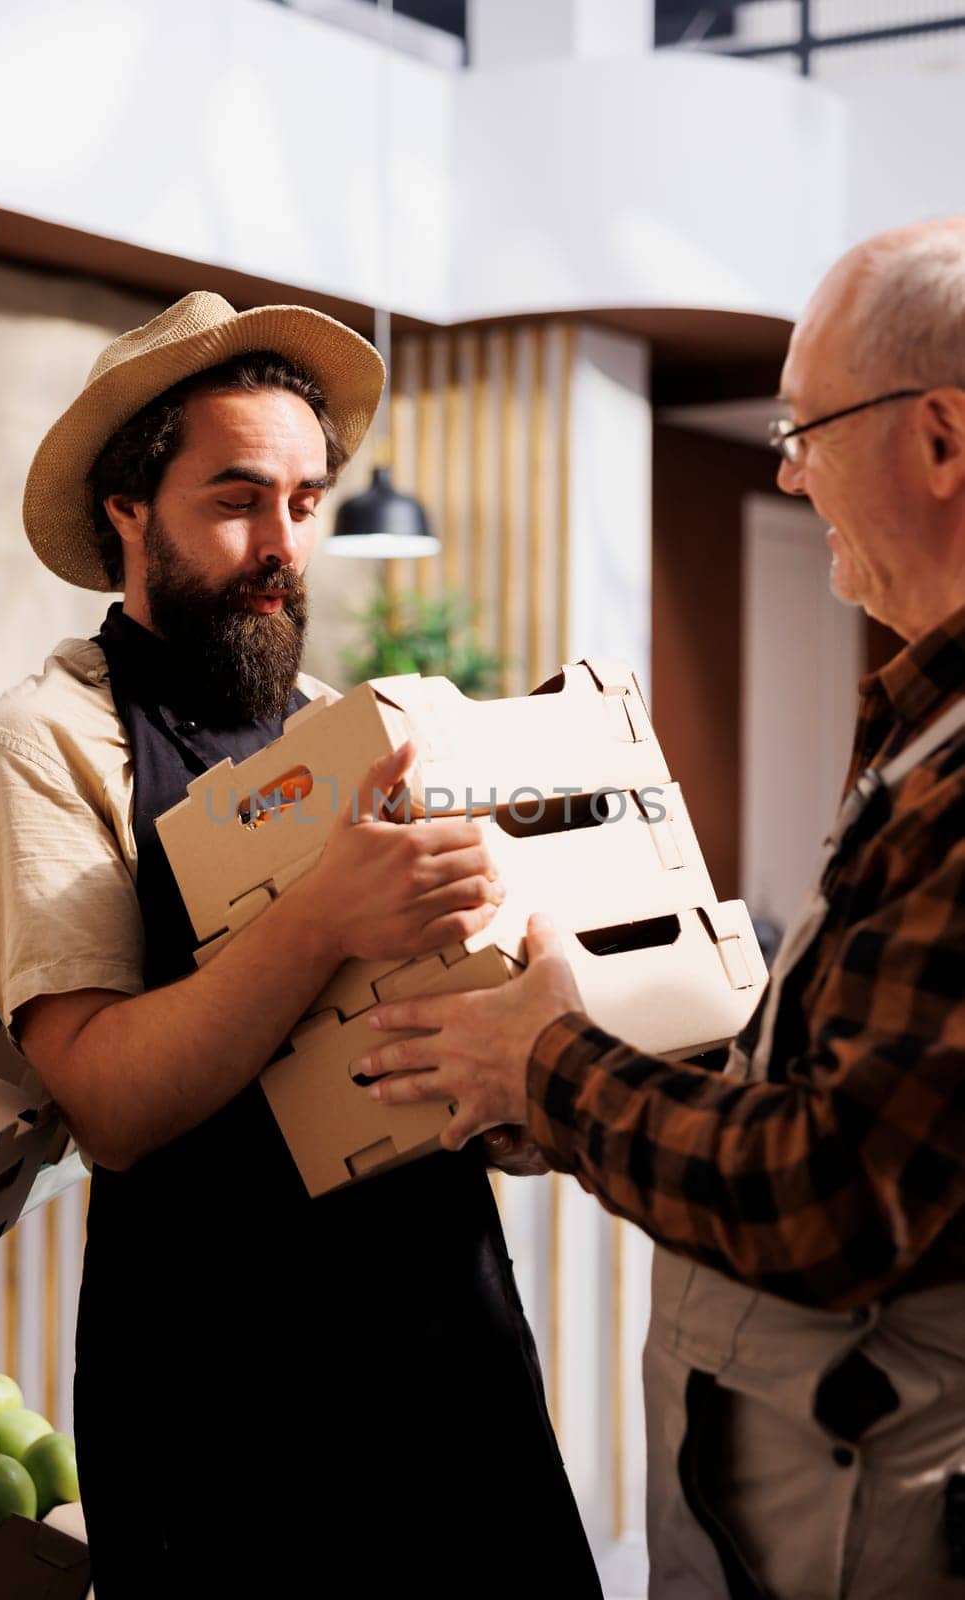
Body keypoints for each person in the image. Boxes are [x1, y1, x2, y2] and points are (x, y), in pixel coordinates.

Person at [0, 293, 602, 1597]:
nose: (282, 544)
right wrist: (323, 916)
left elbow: (410, 1017)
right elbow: (113, 1099)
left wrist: (508, 1080)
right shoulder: (43, 745)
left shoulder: (339, 728)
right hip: (224, 1397)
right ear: (129, 507)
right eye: (237, 498)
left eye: (306, 502)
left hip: (445, 1346)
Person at [362, 220, 965, 1599]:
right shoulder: (924, 737)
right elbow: (822, 1088)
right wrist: (562, 1093)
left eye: (810, 424)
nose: (790, 465)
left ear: (940, 439)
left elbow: (832, 1193)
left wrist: (551, 1065)